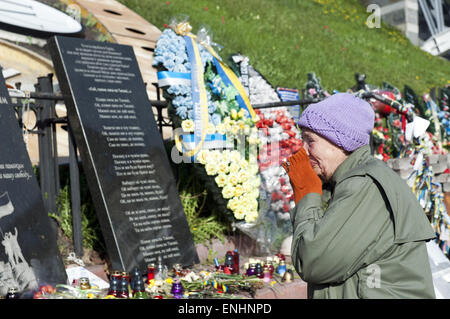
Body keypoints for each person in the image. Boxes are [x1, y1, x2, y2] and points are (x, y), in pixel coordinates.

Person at [282, 93, 436, 299]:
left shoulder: (365, 184)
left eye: (310, 141)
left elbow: (313, 261)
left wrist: (306, 193)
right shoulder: (351, 180)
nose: (303, 151)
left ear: (339, 140)